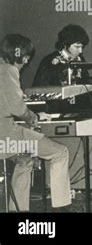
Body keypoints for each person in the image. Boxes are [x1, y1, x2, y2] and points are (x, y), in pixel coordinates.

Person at [0, 34, 71, 211]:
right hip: (7, 138)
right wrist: (35, 118)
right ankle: (61, 208)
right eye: (26, 59)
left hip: (5, 138)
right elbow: (17, 109)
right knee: (60, 152)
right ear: (21, 56)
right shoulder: (9, 70)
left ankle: (18, 211)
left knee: (25, 160)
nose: (25, 64)